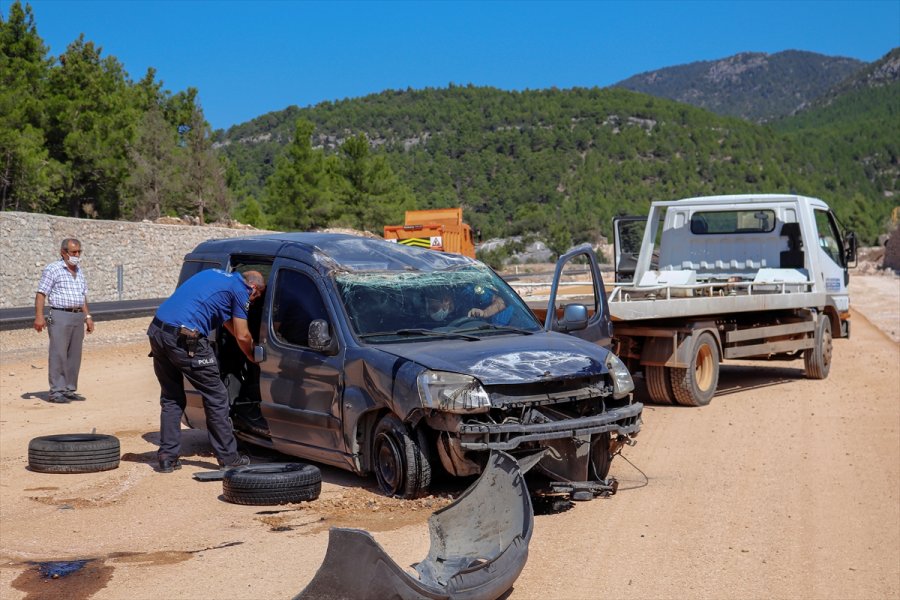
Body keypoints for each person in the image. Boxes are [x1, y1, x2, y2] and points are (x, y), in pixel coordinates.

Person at [147, 269, 266, 473]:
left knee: (171, 397)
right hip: (185, 339)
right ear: (254, 288)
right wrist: (252, 356)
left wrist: (239, 338)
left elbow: (226, 321)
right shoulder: (241, 290)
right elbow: (243, 334)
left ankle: (167, 457)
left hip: (158, 331)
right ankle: (229, 458)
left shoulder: (216, 275)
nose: (253, 302)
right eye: (256, 297)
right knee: (216, 396)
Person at [34, 238, 94, 404]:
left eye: (78, 252)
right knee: (58, 353)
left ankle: (69, 389)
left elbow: (82, 297)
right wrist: (39, 316)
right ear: (63, 252)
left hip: (77, 316)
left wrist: (87, 316)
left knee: (74, 355)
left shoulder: (79, 271)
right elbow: (41, 294)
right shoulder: (53, 269)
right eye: (73, 252)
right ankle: (56, 391)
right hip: (60, 315)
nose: (76, 255)